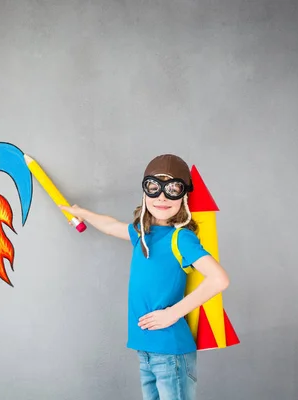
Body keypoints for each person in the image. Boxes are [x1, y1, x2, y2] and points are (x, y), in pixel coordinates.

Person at [59, 154, 230, 400]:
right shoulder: (143, 233)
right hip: (146, 349)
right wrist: (82, 212)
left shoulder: (180, 238)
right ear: (145, 193)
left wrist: (172, 313)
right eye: (154, 187)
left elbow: (219, 279)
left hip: (170, 352)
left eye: (172, 189)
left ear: (184, 197)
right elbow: (111, 226)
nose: (161, 196)